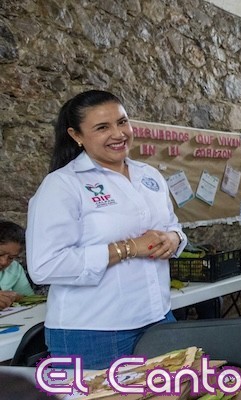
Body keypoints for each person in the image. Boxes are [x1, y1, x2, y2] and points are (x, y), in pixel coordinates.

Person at [27, 90, 187, 369]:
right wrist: (127, 248)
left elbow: (172, 225)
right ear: (76, 135)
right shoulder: (62, 185)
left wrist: (173, 239)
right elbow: (44, 266)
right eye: (102, 127)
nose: (118, 134)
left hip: (158, 317)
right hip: (93, 332)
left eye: (122, 122)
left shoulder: (149, 175)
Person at [0, 221, 34, 310]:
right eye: (0, 254)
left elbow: (30, 298)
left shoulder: (15, 269)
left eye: (11, 258)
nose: (4, 262)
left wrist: (16, 297)